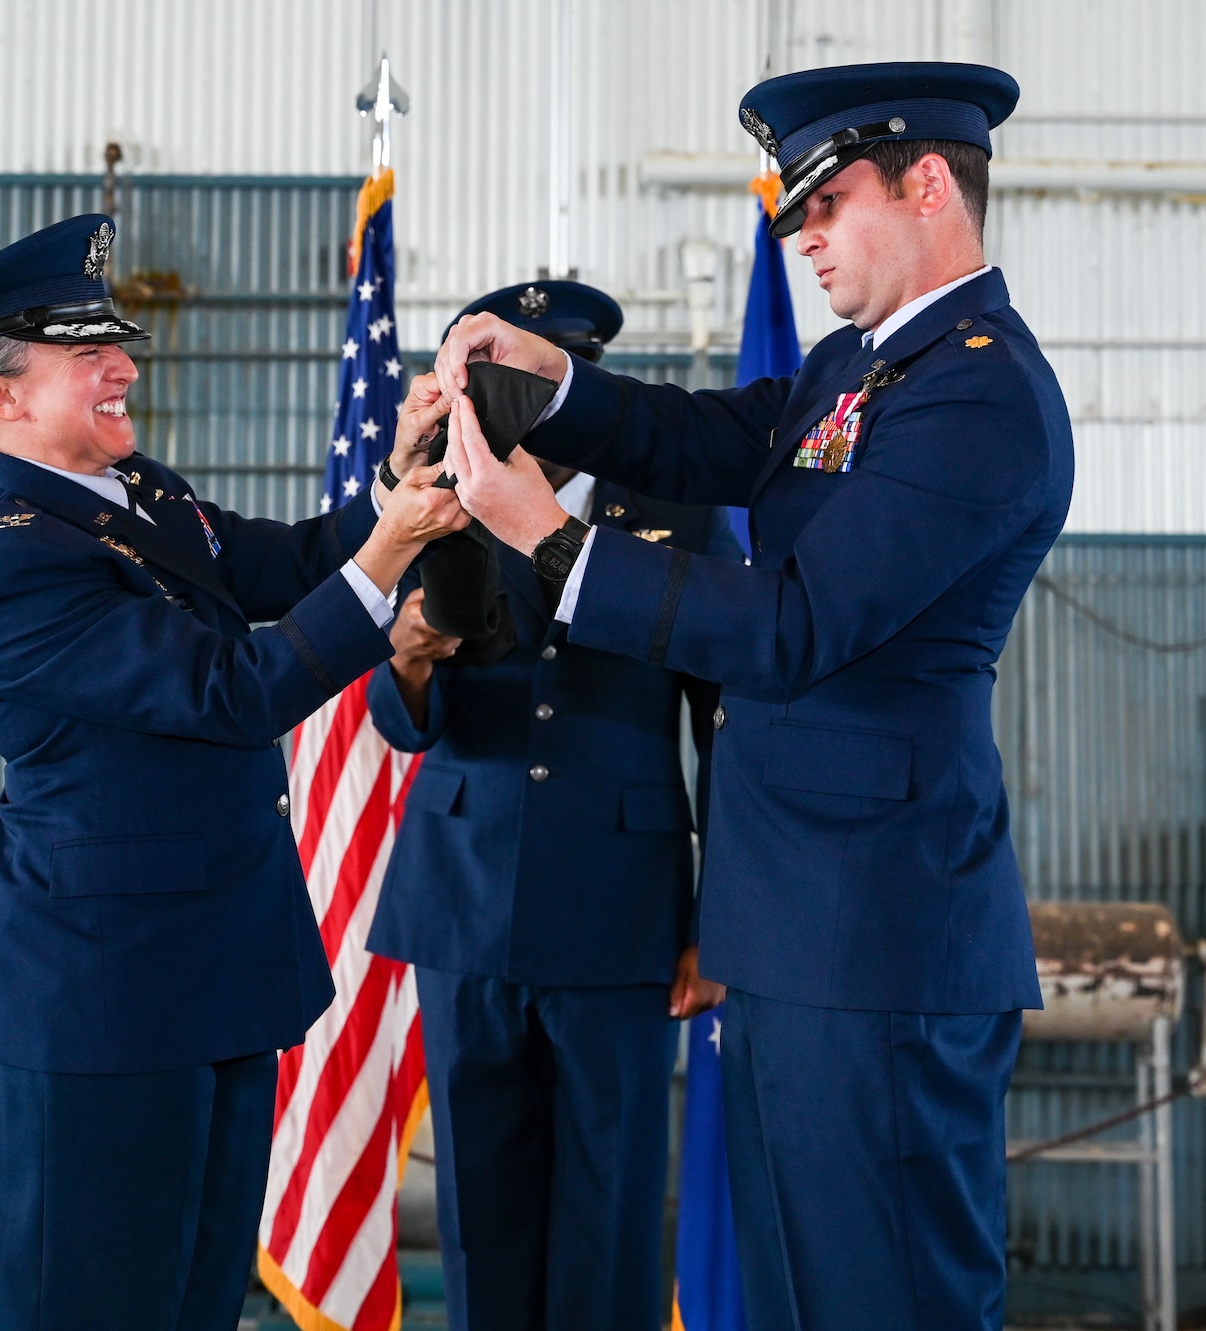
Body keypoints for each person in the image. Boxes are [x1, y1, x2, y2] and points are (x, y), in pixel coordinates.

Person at [432, 64, 1074, 1331]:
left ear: (928, 182)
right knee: (793, 1292)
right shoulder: (857, 363)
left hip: (877, 932)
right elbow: (697, 438)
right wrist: (549, 379)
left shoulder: (977, 389)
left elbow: (789, 627)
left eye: (829, 204)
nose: (808, 240)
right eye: (798, 217)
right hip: (796, 921)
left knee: (884, 1293)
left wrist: (549, 545)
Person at [0, 214, 466, 1331]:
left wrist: (395, 470)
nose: (124, 366)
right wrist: (390, 550)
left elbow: (283, 563)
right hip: (96, 1016)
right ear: (0, 395)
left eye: (116, 342)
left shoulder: (126, 489)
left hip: (211, 985)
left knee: (194, 1308)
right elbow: (230, 690)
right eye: (86, 351)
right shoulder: (15, 564)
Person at [365, 281, 738, 1331]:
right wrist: (404, 662)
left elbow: (726, 725)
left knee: (609, 1200)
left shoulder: (667, 514)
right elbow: (400, 723)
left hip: (620, 911)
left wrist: (716, 923)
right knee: (479, 1202)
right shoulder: (428, 499)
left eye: (543, 389)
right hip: (462, 898)